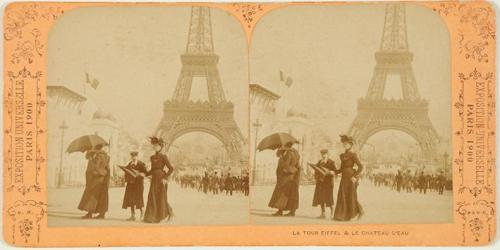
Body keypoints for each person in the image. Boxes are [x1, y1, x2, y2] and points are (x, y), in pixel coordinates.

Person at [143, 137, 174, 223]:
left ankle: (170, 213)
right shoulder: (152, 157)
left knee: (161, 197)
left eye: (157, 146)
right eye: (154, 146)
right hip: (154, 179)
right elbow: (152, 170)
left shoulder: (164, 157)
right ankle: (152, 217)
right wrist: (145, 173)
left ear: (161, 147)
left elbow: (171, 169)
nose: (155, 147)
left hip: (161, 179)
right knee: (152, 197)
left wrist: (165, 178)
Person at [333, 135, 363, 221]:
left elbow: (361, 167)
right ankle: (342, 216)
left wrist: (354, 176)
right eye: (344, 144)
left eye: (346, 144)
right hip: (344, 177)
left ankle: (359, 211)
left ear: (351, 145)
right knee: (342, 195)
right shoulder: (342, 155)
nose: (345, 145)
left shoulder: (353, 155)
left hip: (350, 177)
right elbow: (341, 169)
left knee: (351, 195)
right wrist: (334, 172)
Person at [268, 141, 300, 217]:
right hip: (293, 176)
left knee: (282, 193)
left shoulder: (288, 153)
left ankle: (280, 211)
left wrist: (281, 159)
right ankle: (292, 211)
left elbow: (285, 165)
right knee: (291, 194)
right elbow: (297, 165)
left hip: (286, 176)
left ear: (286, 145)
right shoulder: (296, 153)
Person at [78, 143, 110, 219]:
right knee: (101, 196)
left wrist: (91, 160)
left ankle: (89, 214)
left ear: (96, 148)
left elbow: (95, 167)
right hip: (103, 179)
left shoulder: (98, 156)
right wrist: (105, 175)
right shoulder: (107, 156)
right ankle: (102, 214)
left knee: (92, 196)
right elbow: (107, 168)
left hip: (96, 178)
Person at [311, 149, 338, 219]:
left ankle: (332, 213)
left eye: (325, 154)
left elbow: (335, 171)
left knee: (329, 198)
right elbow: (316, 170)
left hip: (328, 183)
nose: (323, 156)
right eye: (322, 154)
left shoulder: (331, 162)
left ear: (327, 154)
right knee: (321, 198)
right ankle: (323, 214)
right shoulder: (320, 162)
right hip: (320, 182)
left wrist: (331, 172)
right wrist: (317, 176)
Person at [122, 151, 147, 221]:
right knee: (131, 200)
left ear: (137, 157)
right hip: (130, 184)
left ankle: (142, 214)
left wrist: (141, 174)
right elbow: (126, 173)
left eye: (135, 156)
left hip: (138, 185)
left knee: (139, 199)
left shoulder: (141, 164)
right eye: (132, 156)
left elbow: (146, 173)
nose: (133, 158)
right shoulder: (129, 164)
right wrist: (126, 180)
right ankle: (133, 216)